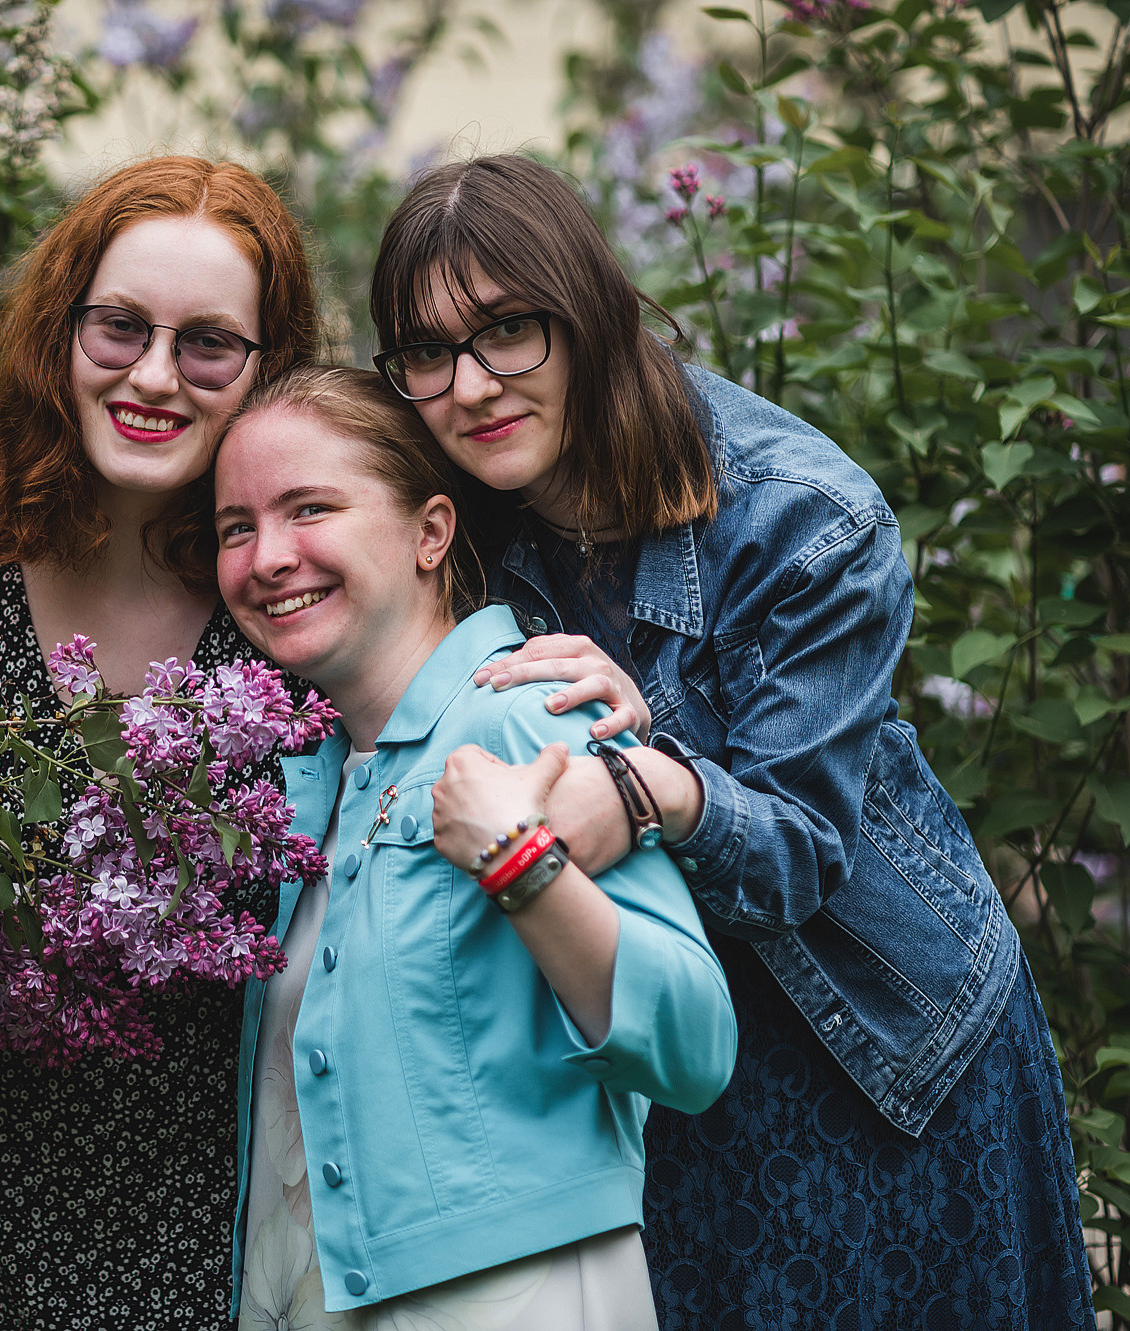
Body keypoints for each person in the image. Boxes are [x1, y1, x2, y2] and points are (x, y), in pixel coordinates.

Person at [367, 154, 1093, 1327]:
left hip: (874, 1044)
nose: (469, 384)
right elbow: (284, 524)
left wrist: (653, 777)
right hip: (660, 1032)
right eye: (426, 350)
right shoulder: (455, 502)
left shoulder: (802, 516)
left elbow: (801, 846)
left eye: (508, 329)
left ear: (589, 313)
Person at [0, 155, 320, 1329]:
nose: (153, 376)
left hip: (166, 1233)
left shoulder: (286, 596)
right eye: (119, 326)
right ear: (57, 328)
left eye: (208, 345)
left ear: (265, 371)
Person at [212, 364, 736, 1329]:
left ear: (431, 531)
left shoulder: (532, 714)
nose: (267, 556)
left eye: (309, 507)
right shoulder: (295, 783)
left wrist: (520, 866)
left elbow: (695, 1044)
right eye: (235, 527)